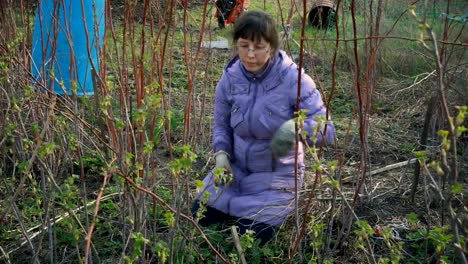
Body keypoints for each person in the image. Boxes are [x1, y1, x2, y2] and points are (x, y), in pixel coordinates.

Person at [192, 10, 335, 244]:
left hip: (278, 177)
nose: (250, 55)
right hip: (235, 171)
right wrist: (221, 156)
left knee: (253, 237)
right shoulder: (230, 77)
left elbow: (328, 130)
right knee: (200, 218)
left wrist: (294, 128)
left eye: (258, 47)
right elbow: (221, 125)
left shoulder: (294, 80)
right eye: (244, 45)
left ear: (272, 47)